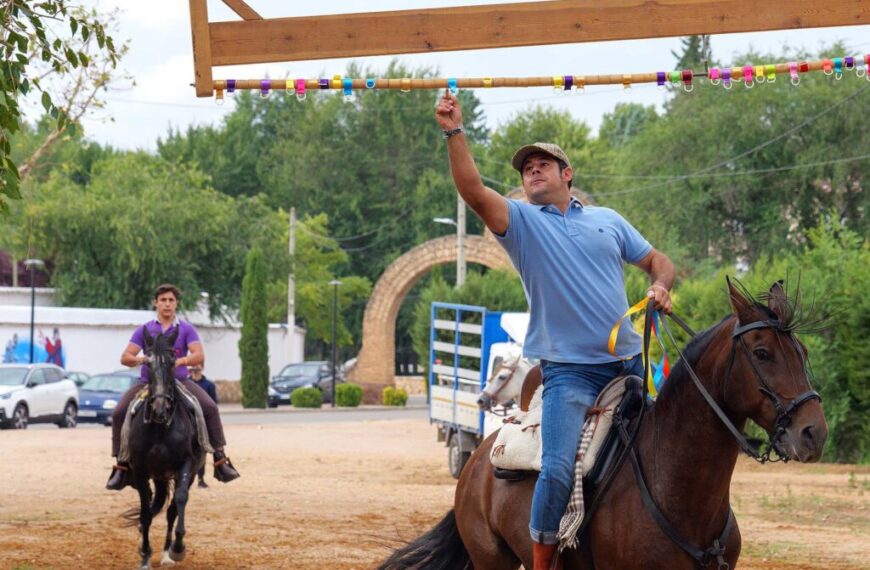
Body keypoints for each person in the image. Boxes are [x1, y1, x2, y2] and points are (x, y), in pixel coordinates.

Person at [435, 91, 674, 570]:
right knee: (560, 468)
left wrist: (661, 286)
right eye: (527, 169)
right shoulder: (520, 221)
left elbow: (656, 260)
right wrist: (454, 132)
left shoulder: (608, 221)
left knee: (670, 451)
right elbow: (473, 192)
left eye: (543, 164)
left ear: (568, 175)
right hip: (568, 374)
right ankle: (544, 564)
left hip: (628, 366)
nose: (532, 172)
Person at [106, 284, 240, 490]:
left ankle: (220, 459)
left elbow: (199, 355)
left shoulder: (186, 328)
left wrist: (179, 362)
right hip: (148, 383)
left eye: (171, 300)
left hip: (179, 381)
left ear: (176, 303)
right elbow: (126, 357)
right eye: (163, 300)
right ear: (156, 303)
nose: (167, 304)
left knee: (209, 407)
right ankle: (122, 465)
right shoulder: (144, 330)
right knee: (119, 412)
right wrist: (143, 360)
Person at [188, 364, 217, 488]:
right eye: (193, 366)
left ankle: (219, 459)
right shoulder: (185, 383)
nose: (195, 368)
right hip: (188, 418)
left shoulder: (209, 385)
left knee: (203, 447)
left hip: (202, 420)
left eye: (197, 366)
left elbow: (213, 404)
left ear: (202, 367)